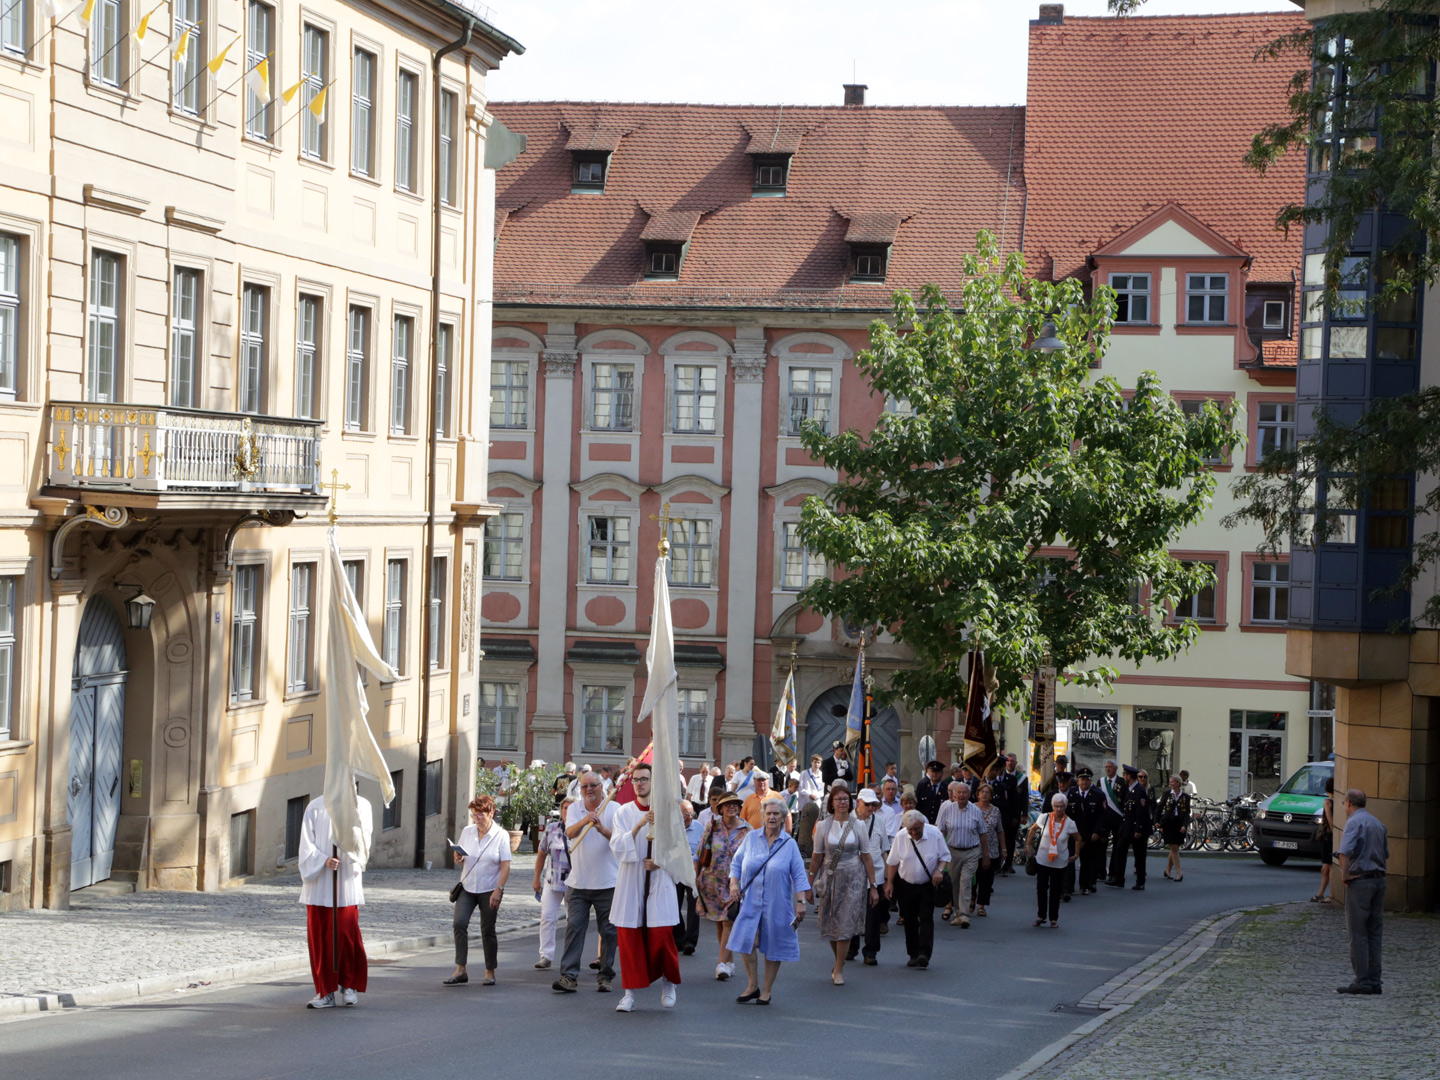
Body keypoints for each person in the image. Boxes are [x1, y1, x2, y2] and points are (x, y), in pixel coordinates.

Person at [608, 763, 681, 1013]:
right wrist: (638, 825)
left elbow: (680, 851)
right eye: (636, 780)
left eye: (644, 779)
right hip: (631, 880)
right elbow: (617, 846)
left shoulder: (668, 812)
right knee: (629, 939)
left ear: (653, 781)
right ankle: (628, 994)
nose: (639, 784)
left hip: (659, 882)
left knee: (661, 936)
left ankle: (668, 982)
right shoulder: (623, 812)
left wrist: (659, 863)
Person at [728, 797, 813, 1005]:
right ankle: (752, 985)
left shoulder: (789, 844)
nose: (772, 817)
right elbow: (736, 863)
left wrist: (801, 901)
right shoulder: (750, 839)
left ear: (784, 817)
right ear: (763, 816)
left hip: (777, 904)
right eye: (768, 813)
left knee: (774, 945)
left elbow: (799, 875)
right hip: (750, 902)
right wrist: (733, 885)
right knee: (747, 941)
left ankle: (766, 990)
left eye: (776, 814)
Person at [297, 792, 371, 1009]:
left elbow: (364, 840)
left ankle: (349, 985)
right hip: (320, 884)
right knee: (320, 939)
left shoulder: (361, 805)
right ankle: (324, 990)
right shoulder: (315, 806)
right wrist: (324, 859)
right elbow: (306, 843)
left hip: (345, 881)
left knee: (346, 935)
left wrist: (349, 847)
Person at [553, 771, 619, 994]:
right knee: (574, 928)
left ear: (602, 787)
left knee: (609, 932)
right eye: (584, 787)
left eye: (593, 785)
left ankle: (605, 976)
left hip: (607, 883)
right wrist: (586, 819)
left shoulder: (614, 808)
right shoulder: (573, 808)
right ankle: (569, 976)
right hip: (578, 884)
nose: (589, 790)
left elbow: (619, 841)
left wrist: (602, 829)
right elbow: (570, 832)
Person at [808, 783, 877, 985]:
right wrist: (808, 885)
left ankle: (839, 968)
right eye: (838, 799)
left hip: (853, 879)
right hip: (829, 879)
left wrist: (873, 886)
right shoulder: (823, 826)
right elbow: (816, 857)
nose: (842, 803)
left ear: (851, 803)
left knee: (845, 924)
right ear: (831, 803)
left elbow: (866, 857)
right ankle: (838, 960)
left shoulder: (859, 825)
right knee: (830, 924)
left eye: (845, 799)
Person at [446, 794, 511, 987]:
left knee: (487, 929)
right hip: (467, 887)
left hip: (489, 888)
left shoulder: (501, 835)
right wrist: (458, 858)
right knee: (459, 923)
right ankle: (461, 969)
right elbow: (461, 858)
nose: (477, 818)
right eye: (474, 814)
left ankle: (490, 971)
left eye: (480, 814)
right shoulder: (468, 831)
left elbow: (506, 866)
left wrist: (499, 890)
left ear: (491, 813)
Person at [1336, 788, 1389, 995]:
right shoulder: (1378, 824)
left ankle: (1362, 981)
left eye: (1344, 804)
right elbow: (1385, 854)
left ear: (1348, 803)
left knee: (1358, 933)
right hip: (1379, 881)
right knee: (1375, 933)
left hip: (1361, 881)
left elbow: (1344, 852)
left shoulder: (1353, 823)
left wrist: (1345, 876)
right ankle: (1375, 981)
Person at [884, 809, 949, 969]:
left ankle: (924, 954)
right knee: (909, 919)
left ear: (923, 824)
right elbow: (893, 862)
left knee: (926, 917)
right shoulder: (900, 837)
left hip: (927, 884)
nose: (913, 833)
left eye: (916, 829)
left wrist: (939, 870)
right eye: (910, 830)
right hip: (905, 884)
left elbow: (945, 856)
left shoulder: (934, 834)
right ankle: (913, 954)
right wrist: (890, 883)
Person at [695, 790, 749, 981]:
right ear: (720, 808)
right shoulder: (712, 826)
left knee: (728, 921)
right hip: (712, 882)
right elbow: (700, 853)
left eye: (735, 804)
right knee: (720, 923)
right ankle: (728, 962)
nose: (732, 807)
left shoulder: (747, 830)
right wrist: (696, 878)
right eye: (727, 804)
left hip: (735, 883)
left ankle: (720, 964)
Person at [848, 787, 891, 965]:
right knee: (851, 914)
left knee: (873, 916)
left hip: (876, 876)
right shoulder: (846, 820)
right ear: (858, 803)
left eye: (873, 804)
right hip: (851, 875)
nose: (871, 808)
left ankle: (871, 952)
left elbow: (885, 850)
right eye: (867, 804)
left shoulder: (879, 821)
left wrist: (888, 878)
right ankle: (850, 948)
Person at [1026, 792, 1079, 928]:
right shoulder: (1044, 817)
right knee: (1041, 888)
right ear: (1052, 806)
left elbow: (1079, 839)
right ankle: (1040, 916)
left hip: (1060, 862)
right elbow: (1032, 829)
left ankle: (1053, 918)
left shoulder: (1069, 823)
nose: (1059, 809)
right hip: (1043, 860)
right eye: (1056, 806)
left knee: (1055, 891)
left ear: (1065, 807)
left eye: (1061, 806)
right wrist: (1027, 845)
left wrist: (1076, 854)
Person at [532, 798, 573, 970]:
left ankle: (571, 957)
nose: (567, 811)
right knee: (548, 917)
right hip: (552, 880)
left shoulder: (583, 830)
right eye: (564, 808)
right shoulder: (551, 829)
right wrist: (536, 878)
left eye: (571, 809)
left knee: (574, 921)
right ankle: (546, 955)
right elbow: (541, 854)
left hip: (574, 882)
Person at [936, 781, 984, 928]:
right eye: (959, 793)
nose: (962, 795)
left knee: (966, 881)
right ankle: (957, 913)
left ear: (969, 795)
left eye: (965, 793)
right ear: (954, 794)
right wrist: (938, 853)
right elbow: (941, 832)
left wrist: (986, 855)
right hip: (953, 852)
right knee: (955, 883)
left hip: (971, 851)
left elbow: (983, 833)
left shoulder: (976, 810)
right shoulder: (947, 809)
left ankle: (964, 915)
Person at [1068, 767, 1107, 895]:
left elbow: (1102, 816)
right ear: (1077, 781)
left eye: (1087, 779)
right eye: (1082, 779)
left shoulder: (1098, 794)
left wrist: (1098, 831)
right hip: (1073, 833)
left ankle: (1086, 884)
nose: (1084, 782)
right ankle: (1069, 886)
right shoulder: (1071, 793)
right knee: (1070, 859)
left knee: (1088, 860)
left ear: (1091, 781)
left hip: (1090, 832)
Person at [674, 800, 704, 955]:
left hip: (693, 871)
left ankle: (690, 942)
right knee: (674, 905)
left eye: (691, 814)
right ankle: (678, 938)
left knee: (694, 906)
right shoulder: (671, 827)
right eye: (685, 815)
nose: (689, 817)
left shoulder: (699, 827)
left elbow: (704, 849)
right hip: (675, 871)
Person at [992, 752, 1028, 874]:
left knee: (1009, 840)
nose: (998, 770)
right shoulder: (992, 779)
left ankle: (1007, 864)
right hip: (995, 815)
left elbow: (1017, 800)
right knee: (995, 840)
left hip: (1008, 815)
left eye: (1000, 767)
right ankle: (997, 864)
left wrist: (1017, 816)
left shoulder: (1012, 779)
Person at [1103, 762, 1136, 887]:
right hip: (1107, 819)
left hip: (1120, 820)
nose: (1108, 769)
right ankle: (1106, 873)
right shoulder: (1102, 782)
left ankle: (1115, 875)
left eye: (1110, 767)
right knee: (1104, 846)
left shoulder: (1125, 785)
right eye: (1106, 767)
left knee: (1118, 849)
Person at [973, 782, 1003, 917]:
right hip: (973, 848)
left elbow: (1000, 830)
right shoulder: (971, 808)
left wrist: (1004, 849)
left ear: (991, 796)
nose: (984, 794)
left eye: (987, 792)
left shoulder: (995, 810)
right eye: (982, 792)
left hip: (991, 850)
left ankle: (981, 905)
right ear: (978, 794)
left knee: (986, 880)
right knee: (972, 878)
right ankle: (972, 899)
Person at [1157, 774, 1190, 883]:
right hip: (1168, 823)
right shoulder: (1167, 794)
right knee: (1174, 847)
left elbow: (1186, 813)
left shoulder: (1185, 797)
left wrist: (1185, 825)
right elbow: (1160, 807)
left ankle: (1167, 870)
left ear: (1178, 783)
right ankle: (1179, 873)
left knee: (1174, 847)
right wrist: (1156, 821)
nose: (1170, 783)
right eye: (1170, 781)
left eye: (1172, 781)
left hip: (1179, 823)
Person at [1123, 768, 1152, 890]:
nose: (1124, 776)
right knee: (1121, 850)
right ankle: (1118, 878)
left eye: (1125, 774)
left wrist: (1139, 829)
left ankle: (1140, 881)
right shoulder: (1130, 790)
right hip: (1129, 827)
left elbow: (1142, 811)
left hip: (1138, 828)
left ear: (1129, 776)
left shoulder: (1139, 791)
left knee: (1139, 855)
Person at [1312, 778, 1336, 904]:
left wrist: (1334, 834)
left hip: (1328, 836)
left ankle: (1331, 895)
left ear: (1327, 789)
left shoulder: (1327, 802)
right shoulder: (1338, 802)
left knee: (1330, 866)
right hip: (1331, 836)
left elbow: (1330, 820)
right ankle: (1320, 894)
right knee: (1325, 868)